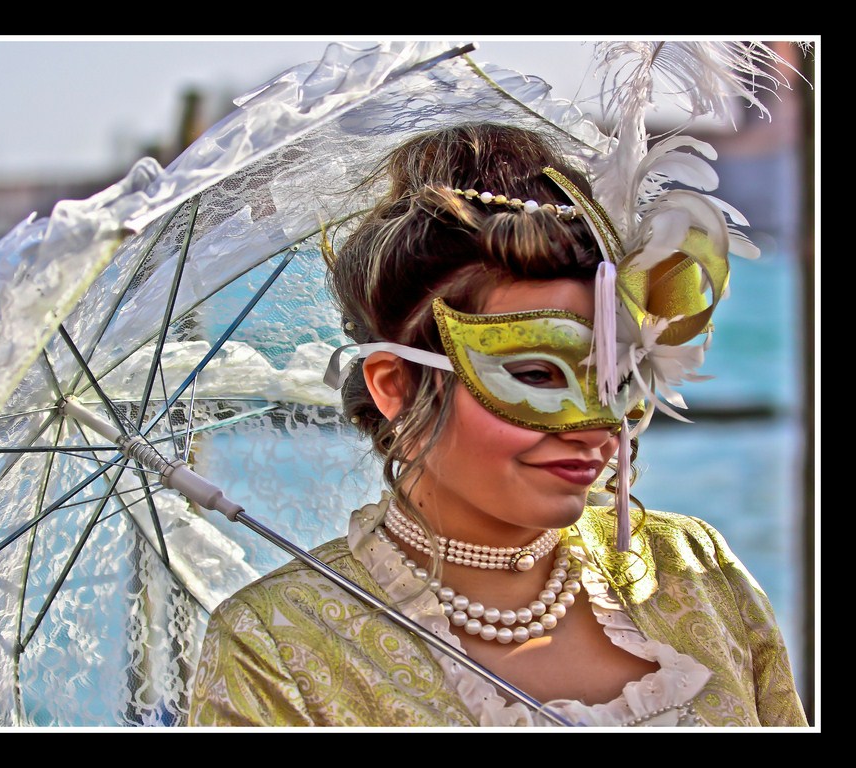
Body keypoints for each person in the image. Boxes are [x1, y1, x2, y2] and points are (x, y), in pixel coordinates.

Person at [186, 116, 807, 726]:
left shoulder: (694, 570)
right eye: (538, 375)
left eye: (620, 377)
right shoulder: (276, 646)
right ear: (395, 386)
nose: (596, 428)